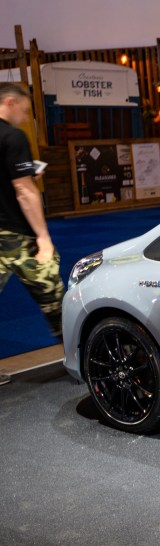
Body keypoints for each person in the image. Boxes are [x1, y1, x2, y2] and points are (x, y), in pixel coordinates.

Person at [0, 83, 64, 385]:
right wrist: (44, 238)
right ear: (9, 102)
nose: (26, 118)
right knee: (54, 298)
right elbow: (24, 191)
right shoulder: (12, 137)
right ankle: (83, 357)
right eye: (25, 110)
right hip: (14, 235)